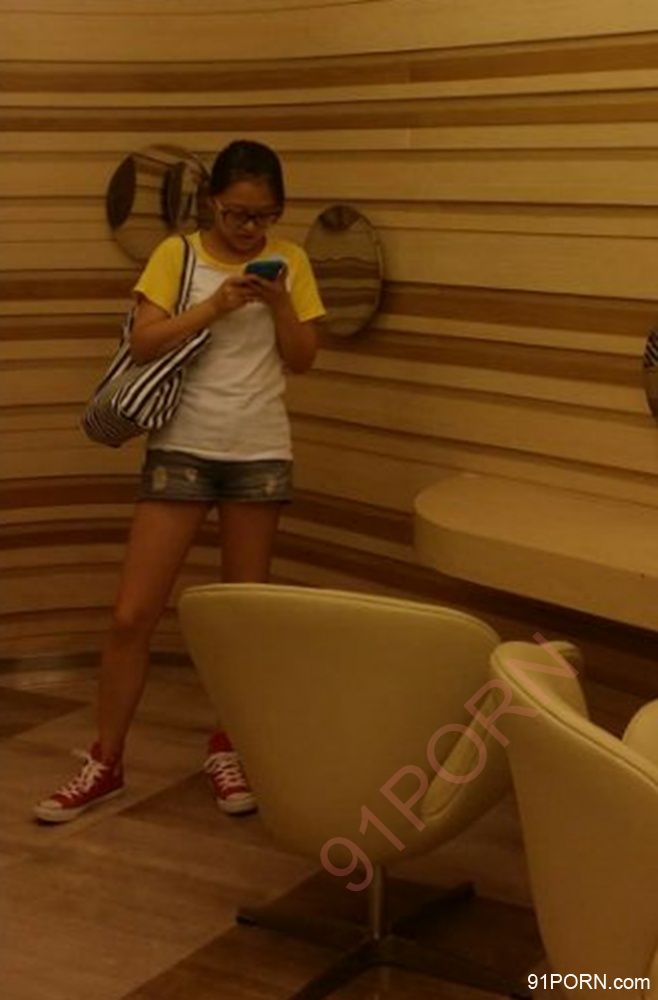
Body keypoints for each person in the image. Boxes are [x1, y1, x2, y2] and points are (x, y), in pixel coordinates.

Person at [34, 139, 325, 823]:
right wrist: (216, 306)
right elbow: (143, 342)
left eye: (263, 216)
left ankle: (228, 747)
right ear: (212, 203)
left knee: (242, 622)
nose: (249, 228)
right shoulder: (177, 255)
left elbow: (303, 357)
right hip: (182, 448)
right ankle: (105, 761)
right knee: (131, 614)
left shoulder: (292, 260)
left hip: (259, 452)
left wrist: (280, 304)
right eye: (236, 214)